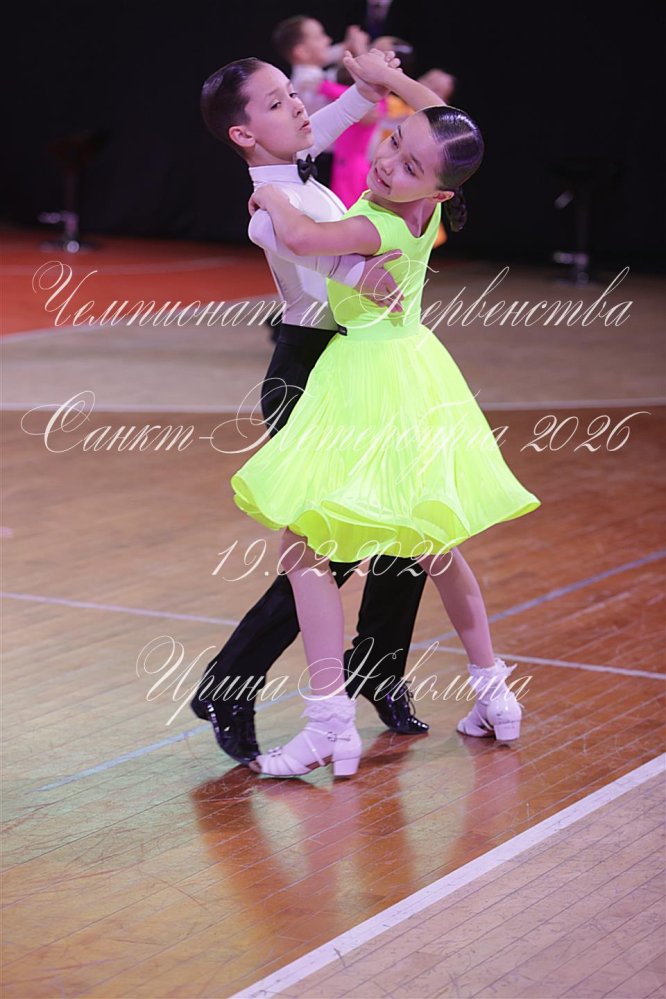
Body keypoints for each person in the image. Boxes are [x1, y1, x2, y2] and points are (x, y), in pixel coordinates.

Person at [232, 51, 541, 778]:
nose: (387, 161)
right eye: (392, 142)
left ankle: (328, 724)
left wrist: (268, 199)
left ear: (437, 189)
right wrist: (386, 80)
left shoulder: (377, 224)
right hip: (415, 373)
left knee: (306, 548)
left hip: (363, 381)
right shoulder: (427, 205)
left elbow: (302, 239)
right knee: (436, 543)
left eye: (407, 164)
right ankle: (495, 693)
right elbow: (440, 121)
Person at [196, 50, 435, 766]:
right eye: (276, 102)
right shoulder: (268, 210)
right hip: (308, 371)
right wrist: (363, 271)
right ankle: (229, 683)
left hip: (360, 362)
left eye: (291, 93)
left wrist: (364, 88)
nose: (298, 106)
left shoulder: (293, 162)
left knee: (408, 521)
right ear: (244, 134)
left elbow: (323, 124)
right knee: (328, 550)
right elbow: (317, 253)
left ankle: (379, 667)